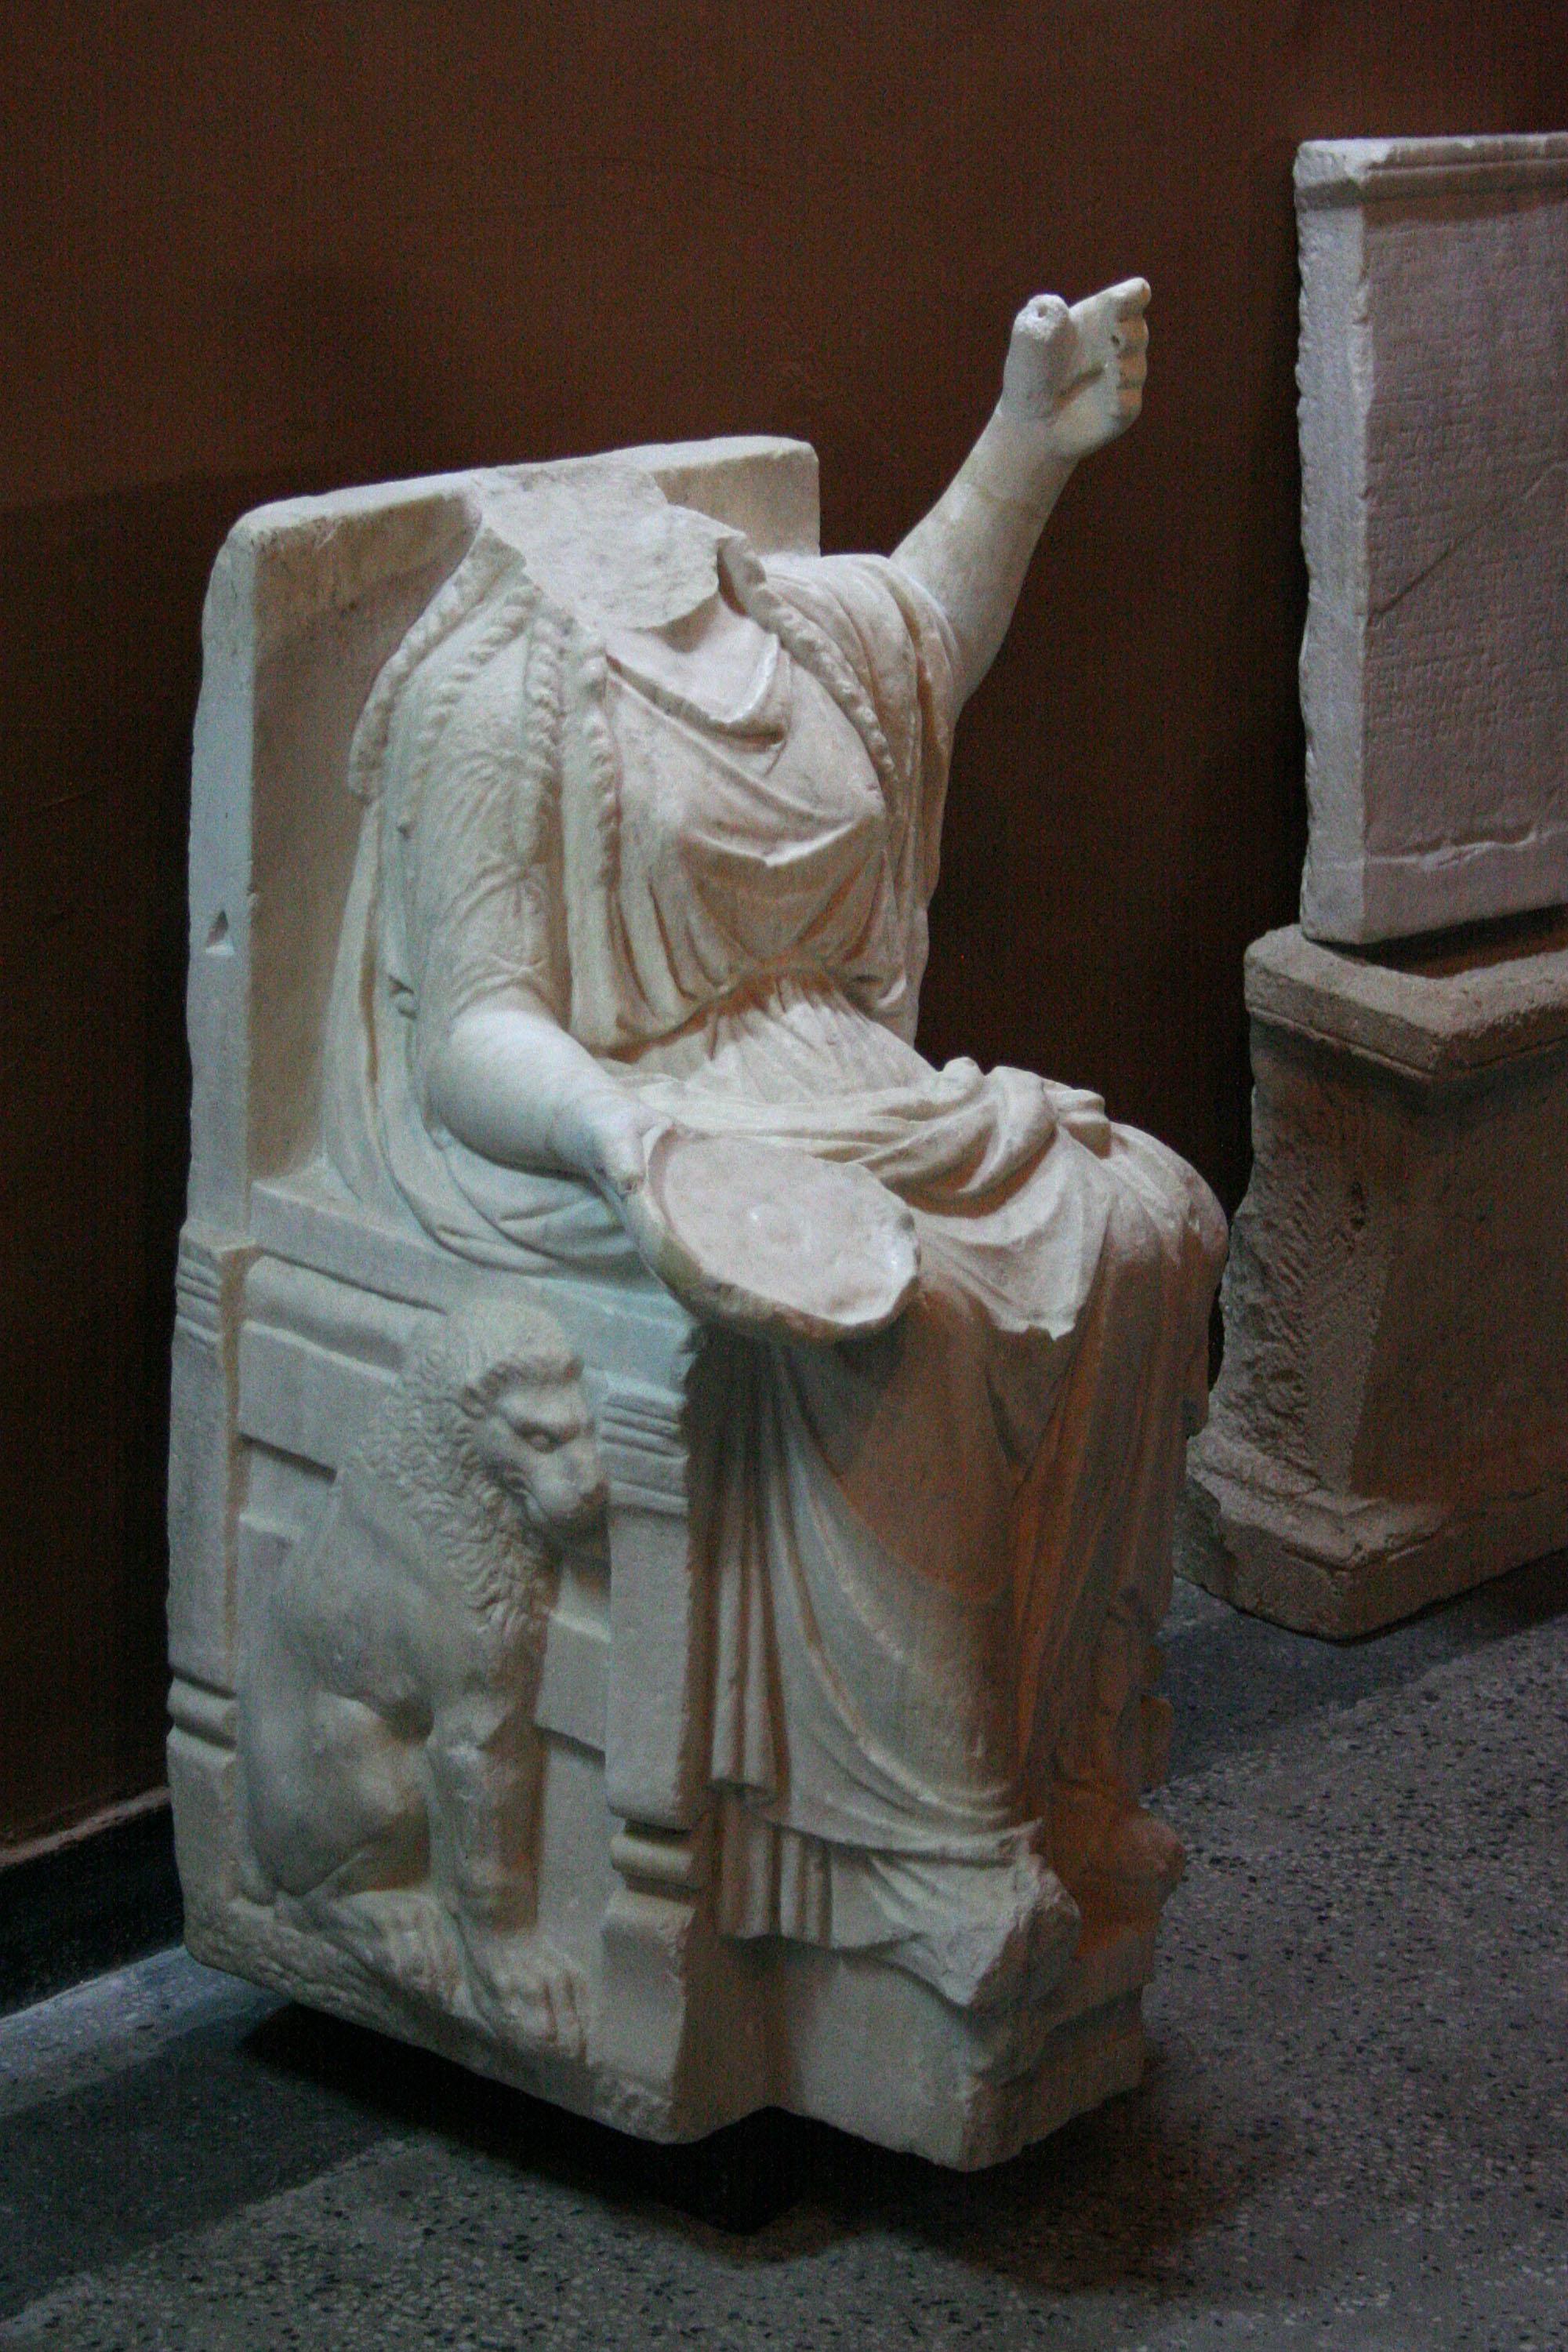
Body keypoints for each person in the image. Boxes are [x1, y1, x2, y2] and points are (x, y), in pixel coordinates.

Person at [323, 280, 1226, 2017]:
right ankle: (911, 1856)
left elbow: (921, 635)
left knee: (1150, 1217)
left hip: (834, 1078)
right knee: (910, 1316)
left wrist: (1026, 445)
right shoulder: (498, 695)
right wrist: (627, 1134)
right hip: (604, 1123)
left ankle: (1074, 1765)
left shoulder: (784, 626)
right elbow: (469, 1033)